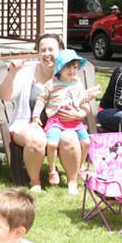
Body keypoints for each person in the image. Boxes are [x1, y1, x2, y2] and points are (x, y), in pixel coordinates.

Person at [0, 33, 84, 192]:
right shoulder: (26, 73)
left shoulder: (71, 74)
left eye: (51, 49)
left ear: (60, 51)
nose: (47, 54)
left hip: (61, 124)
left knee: (70, 137)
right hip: (28, 122)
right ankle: (35, 181)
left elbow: (83, 104)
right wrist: (12, 73)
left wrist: (79, 115)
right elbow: (5, 96)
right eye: (42, 50)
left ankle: (72, 182)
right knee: (36, 138)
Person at [31, 48, 94, 194]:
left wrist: (87, 98)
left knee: (86, 142)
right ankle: (52, 170)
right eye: (68, 67)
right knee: (52, 143)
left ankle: (81, 168)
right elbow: (41, 100)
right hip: (56, 119)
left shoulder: (76, 83)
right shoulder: (52, 84)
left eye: (75, 67)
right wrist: (36, 116)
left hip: (73, 120)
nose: (72, 71)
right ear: (60, 68)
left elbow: (79, 100)